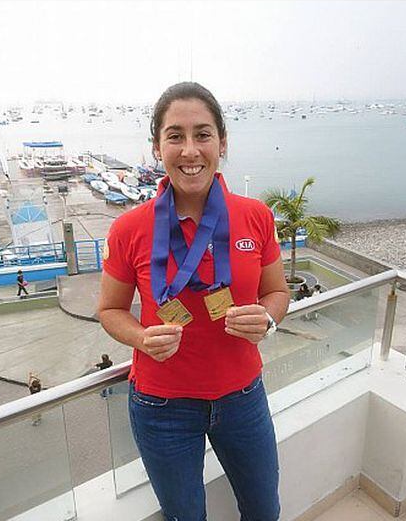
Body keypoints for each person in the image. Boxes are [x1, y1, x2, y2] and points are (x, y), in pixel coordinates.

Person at [97, 82, 289, 521]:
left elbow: (277, 293)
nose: (190, 150)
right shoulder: (129, 229)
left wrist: (268, 319)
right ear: (156, 147)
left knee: (265, 511)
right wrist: (141, 337)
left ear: (222, 143)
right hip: (162, 406)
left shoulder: (256, 216)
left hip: (244, 397)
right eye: (175, 136)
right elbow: (109, 310)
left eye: (202, 134)